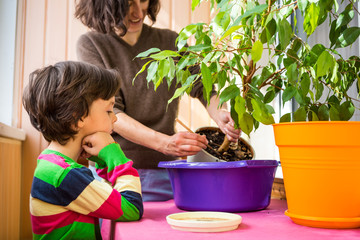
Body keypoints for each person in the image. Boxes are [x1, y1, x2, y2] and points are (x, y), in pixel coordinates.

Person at [75, 0, 241, 201]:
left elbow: (201, 87)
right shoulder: (92, 44)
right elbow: (112, 112)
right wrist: (165, 143)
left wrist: (219, 113)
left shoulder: (171, 41)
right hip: (113, 174)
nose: (138, 12)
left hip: (163, 173)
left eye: (143, 0)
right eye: (128, 4)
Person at [22, 61, 143, 239]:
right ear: (77, 116)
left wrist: (102, 159)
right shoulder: (63, 175)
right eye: (109, 110)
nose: (115, 119)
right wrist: (114, 154)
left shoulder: (54, 165)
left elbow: (109, 199)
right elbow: (131, 207)